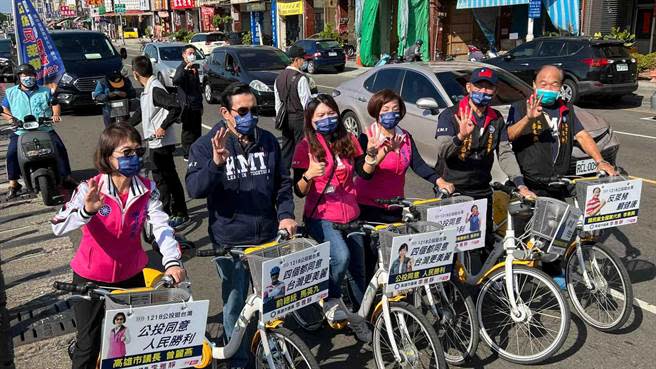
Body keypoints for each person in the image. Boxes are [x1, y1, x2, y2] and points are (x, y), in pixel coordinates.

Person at [51, 124, 185, 369]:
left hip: (130, 276)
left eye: (137, 151)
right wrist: (86, 211)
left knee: (129, 343)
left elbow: (161, 226)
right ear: (107, 156)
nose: (134, 157)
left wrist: (172, 261)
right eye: (126, 153)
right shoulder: (89, 188)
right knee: (88, 344)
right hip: (90, 277)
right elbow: (57, 226)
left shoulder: (147, 189)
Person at [185, 82, 296, 369]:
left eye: (254, 110)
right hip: (229, 240)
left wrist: (286, 214)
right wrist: (216, 163)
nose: (250, 116)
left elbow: (283, 184)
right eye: (243, 111)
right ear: (225, 113)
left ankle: (271, 348)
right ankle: (238, 359)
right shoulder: (204, 146)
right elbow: (195, 189)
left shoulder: (269, 141)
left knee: (270, 301)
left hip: (267, 236)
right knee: (235, 303)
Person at [435, 67, 535, 253]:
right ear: (468, 87)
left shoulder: (496, 119)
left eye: (489, 88)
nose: (483, 92)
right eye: (478, 86)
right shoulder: (451, 115)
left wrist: (520, 184)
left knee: (481, 243)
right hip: (453, 190)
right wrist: (460, 136)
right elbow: (443, 151)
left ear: (495, 91)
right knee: (449, 248)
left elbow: (505, 153)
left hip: (481, 190)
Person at [291, 94, 368, 327]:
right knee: (341, 257)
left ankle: (360, 318)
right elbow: (299, 190)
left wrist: (373, 156)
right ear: (311, 120)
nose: (327, 119)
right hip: (322, 216)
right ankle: (330, 296)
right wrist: (309, 174)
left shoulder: (349, 140)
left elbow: (364, 173)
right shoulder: (305, 146)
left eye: (331, 113)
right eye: (321, 115)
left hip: (351, 213)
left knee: (358, 268)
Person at [354, 89, 439, 279]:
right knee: (368, 261)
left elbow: (418, 164)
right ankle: (365, 303)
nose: (390, 114)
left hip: (395, 207)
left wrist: (439, 180)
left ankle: (391, 303)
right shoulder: (366, 137)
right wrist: (381, 151)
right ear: (376, 112)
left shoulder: (405, 137)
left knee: (393, 258)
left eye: (395, 109)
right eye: (385, 109)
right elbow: (364, 174)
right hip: (368, 208)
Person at [506, 64, 619, 199]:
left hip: (557, 182)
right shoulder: (521, 107)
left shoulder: (566, 109)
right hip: (530, 184)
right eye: (543, 84)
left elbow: (582, 136)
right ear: (534, 85)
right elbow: (509, 135)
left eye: (554, 84)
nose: (548, 88)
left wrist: (600, 161)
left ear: (560, 88)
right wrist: (528, 119)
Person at [127, 56, 190, 229]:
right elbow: (142, 112)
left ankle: (181, 212)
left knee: (168, 178)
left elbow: (175, 106)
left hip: (162, 143)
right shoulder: (148, 90)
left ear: (135, 73)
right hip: (155, 143)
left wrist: (163, 126)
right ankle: (166, 211)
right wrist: (124, 127)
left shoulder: (155, 89)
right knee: (160, 178)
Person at [2, 63, 77, 199]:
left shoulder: (44, 91)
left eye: (30, 75)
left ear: (35, 76)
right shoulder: (11, 92)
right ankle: (13, 183)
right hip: (21, 130)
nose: (28, 78)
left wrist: (55, 115)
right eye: (24, 75)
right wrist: (10, 119)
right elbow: (4, 109)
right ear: (19, 77)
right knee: (11, 153)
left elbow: (55, 104)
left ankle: (66, 177)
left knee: (59, 148)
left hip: (44, 128)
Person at [274, 45, 312, 169]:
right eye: (303, 59)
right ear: (296, 60)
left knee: (286, 147)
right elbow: (306, 103)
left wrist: (279, 117)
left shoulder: (278, 78)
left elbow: (278, 104)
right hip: (299, 118)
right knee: (301, 147)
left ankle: (283, 176)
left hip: (285, 117)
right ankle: (299, 173)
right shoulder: (301, 78)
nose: (304, 62)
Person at [172, 45, 203, 160]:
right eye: (190, 53)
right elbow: (176, 80)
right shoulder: (182, 68)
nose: (192, 55)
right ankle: (187, 153)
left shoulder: (194, 67)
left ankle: (196, 151)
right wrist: (185, 70)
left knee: (197, 130)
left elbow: (197, 88)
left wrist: (201, 104)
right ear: (184, 55)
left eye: (194, 53)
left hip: (196, 104)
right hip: (187, 105)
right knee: (188, 131)